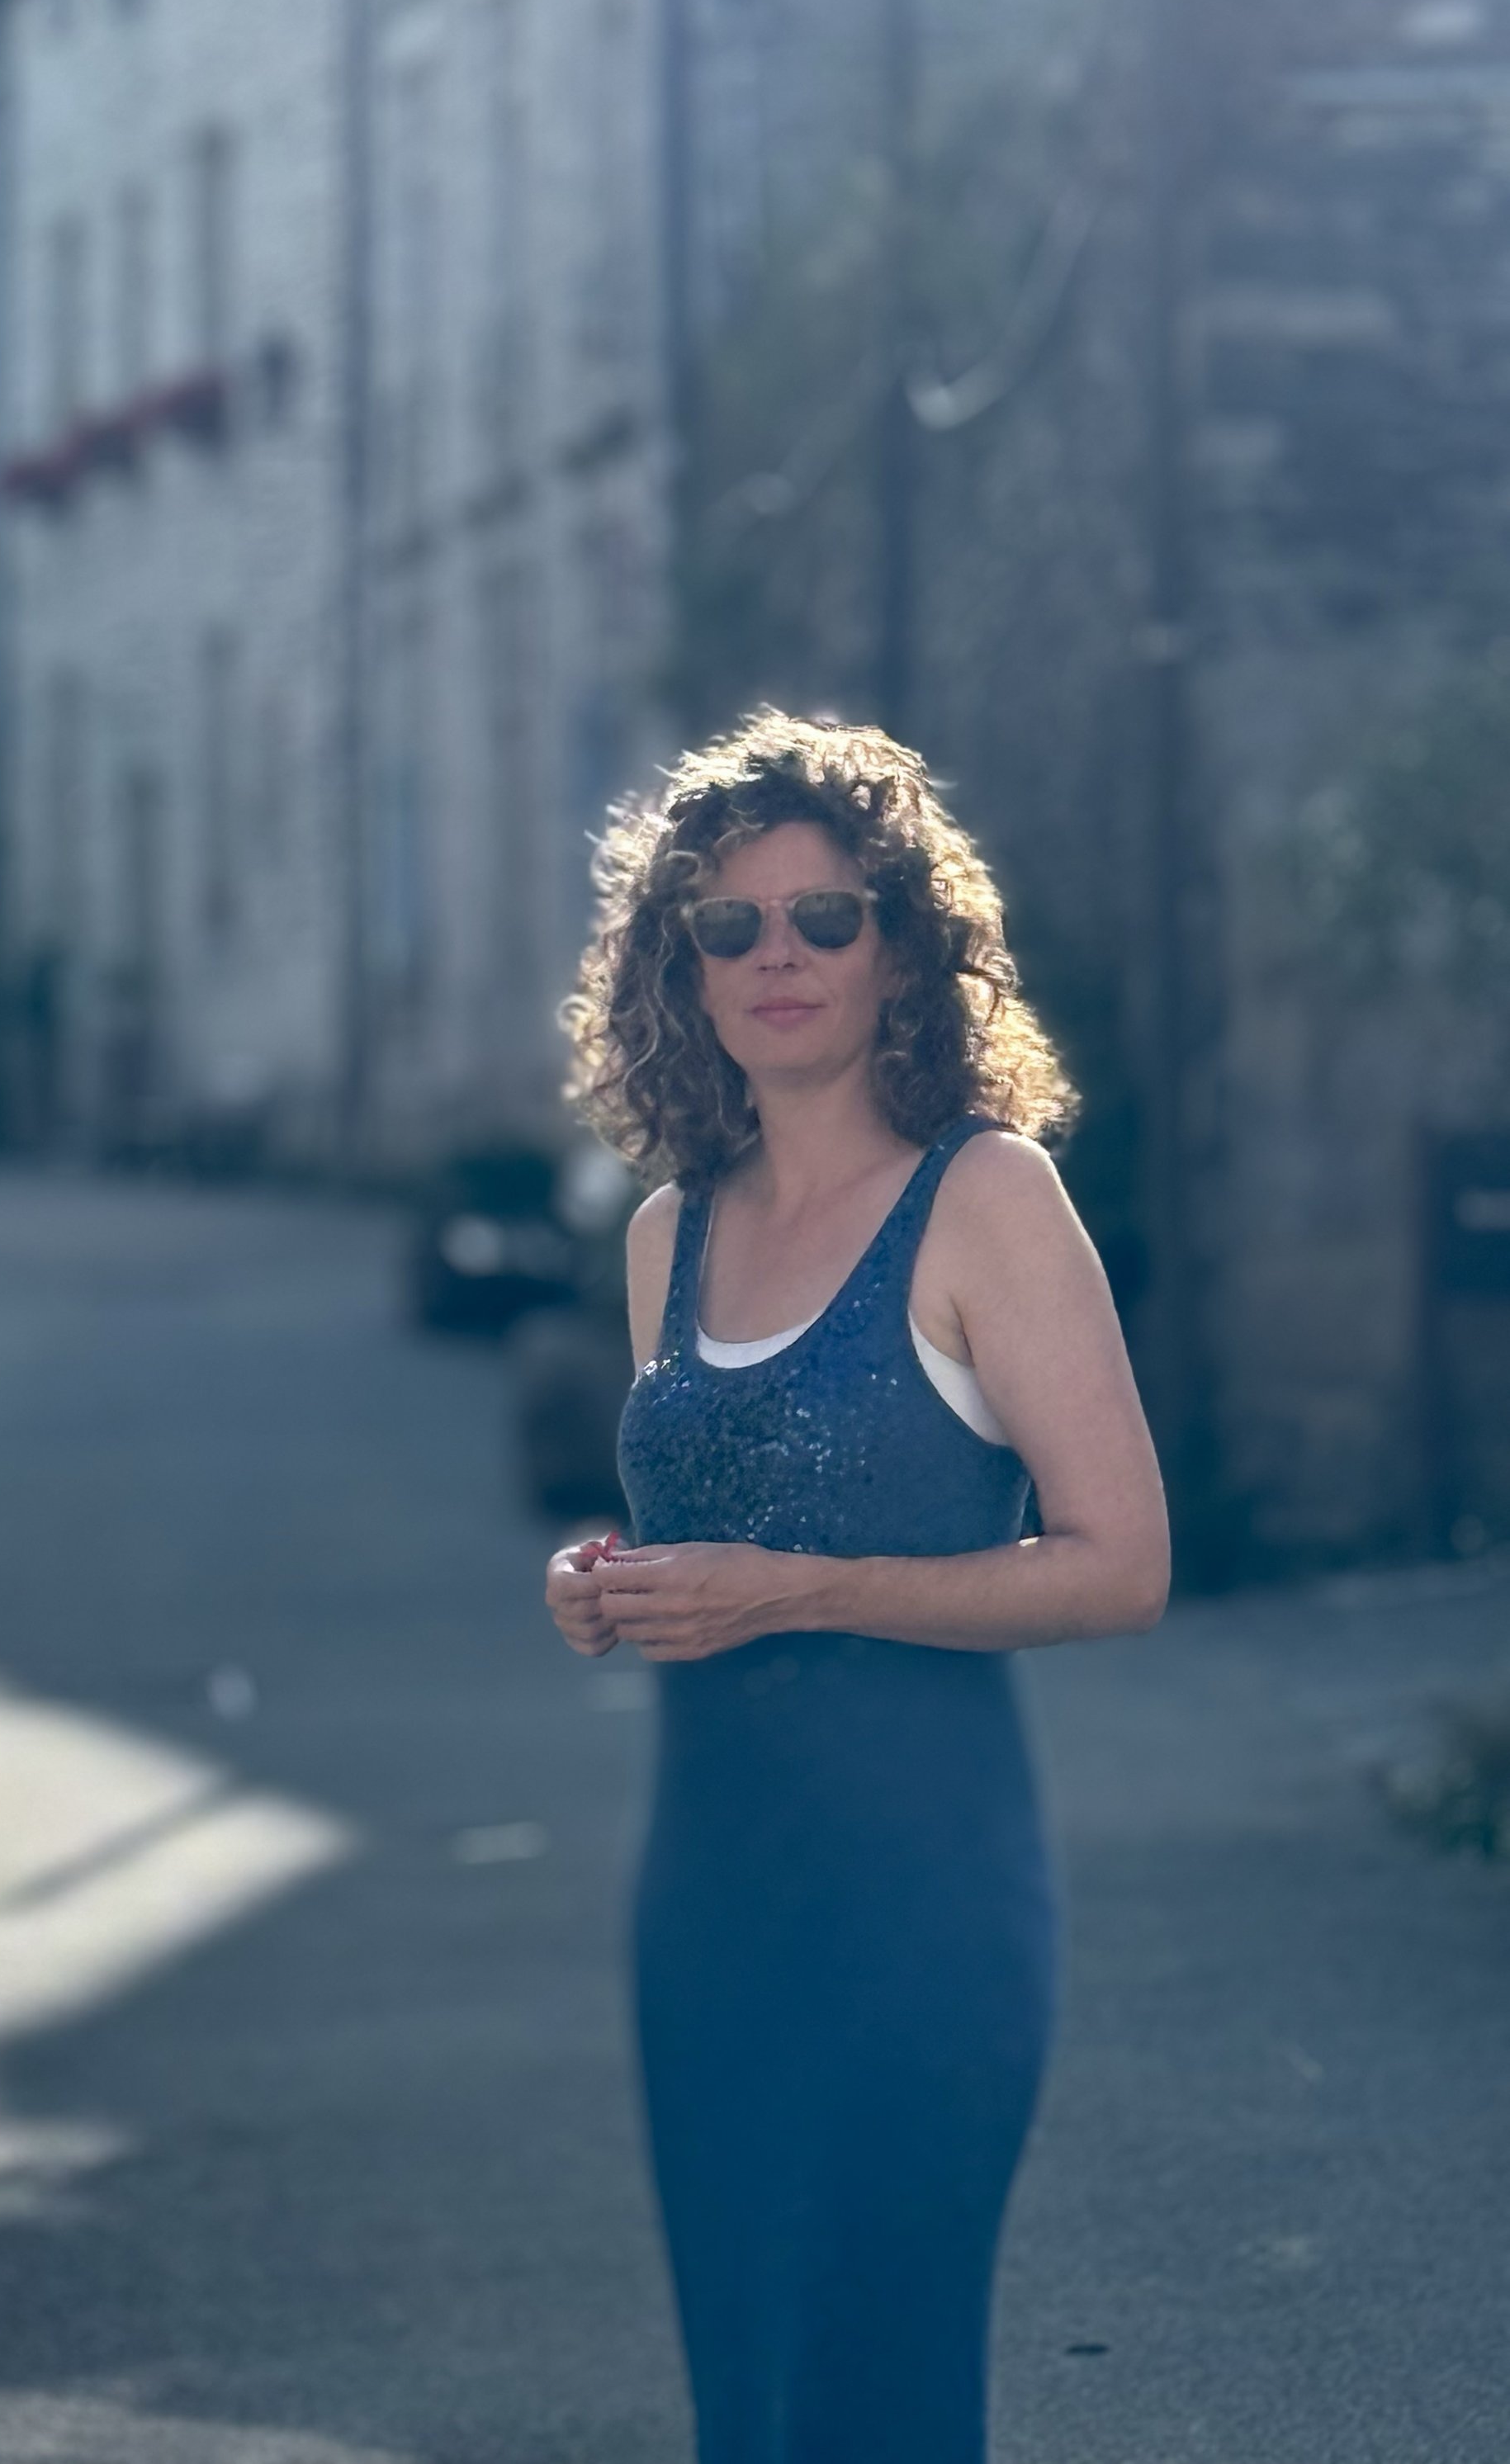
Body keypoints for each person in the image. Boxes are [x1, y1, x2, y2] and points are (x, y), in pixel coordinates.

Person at [547, 710, 1170, 2464]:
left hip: (921, 1905)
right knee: (745, 2405)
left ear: (901, 942)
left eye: (823, 916)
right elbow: (700, 1531)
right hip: (704, 1906)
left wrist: (793, 1589)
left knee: (874, 2395)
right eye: (727, 926)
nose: (776, 958)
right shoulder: (664, 1233)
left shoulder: (985, 1198)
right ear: (678, 964)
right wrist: (604, 1577)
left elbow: (1118, 1566)